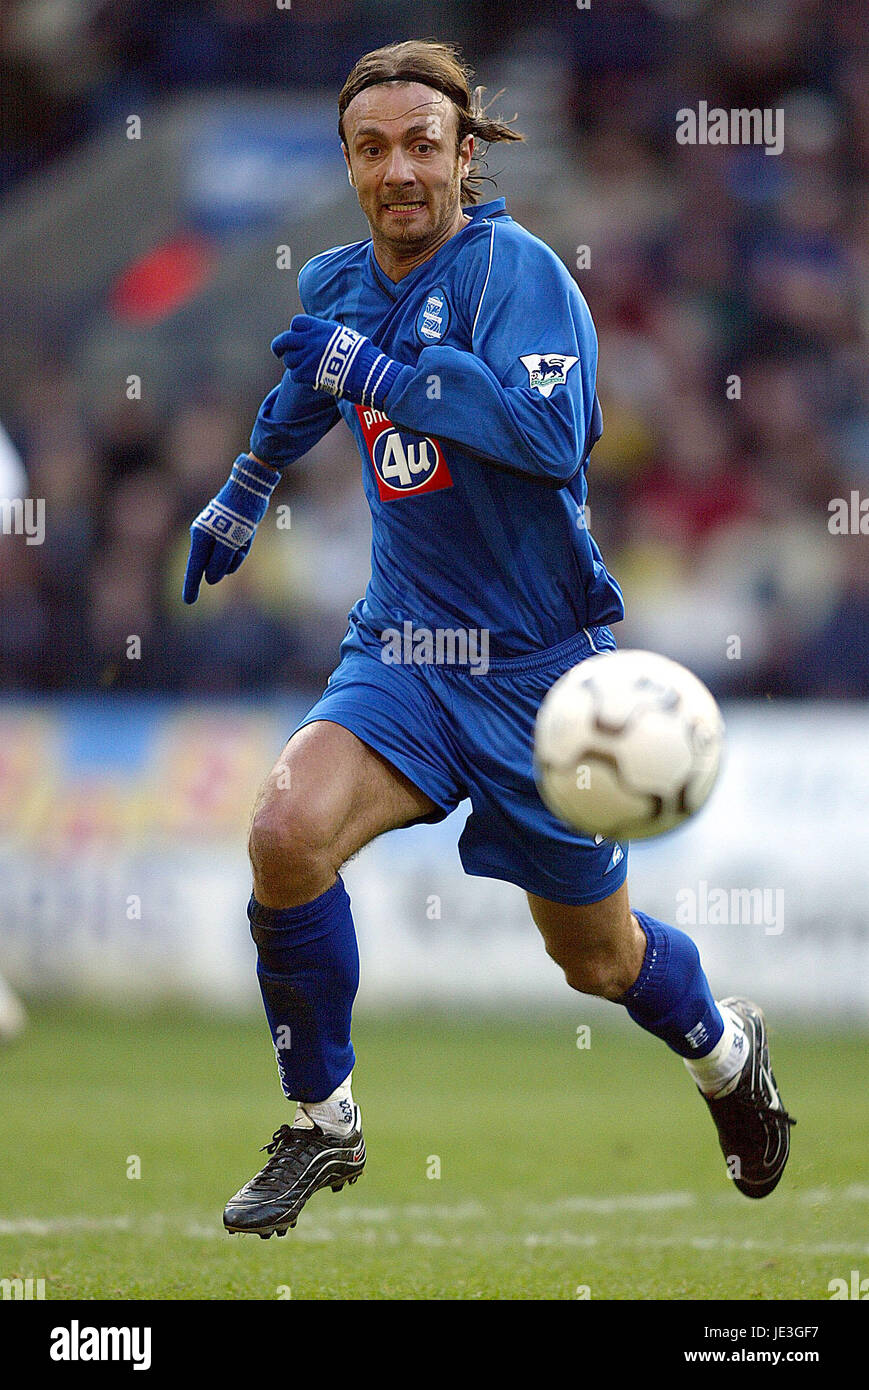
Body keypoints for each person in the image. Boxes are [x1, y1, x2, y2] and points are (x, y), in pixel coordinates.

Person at [182, 39, 794, 1239]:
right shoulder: (338, 284)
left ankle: (725, 1055)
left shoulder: (519, 274)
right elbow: (310, 377)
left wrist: (378, 369)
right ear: (350, 164)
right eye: (372, 149)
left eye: (421, 144)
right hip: (402, 652)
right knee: (284, 832)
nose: (398, 169)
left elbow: (546, 437)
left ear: (464, 155)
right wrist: (248, 479)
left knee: (597, 960)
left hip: (539, 675)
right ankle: (322, 1119)